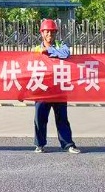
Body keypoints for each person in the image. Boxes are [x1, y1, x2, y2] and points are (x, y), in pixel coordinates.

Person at [31, 18, 80, 154]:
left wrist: (49, 51)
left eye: (52, 32)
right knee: (40, 118)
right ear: (42, 33)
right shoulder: (36, 50)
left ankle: (68, 144)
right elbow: (28, 70)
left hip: (59, 88)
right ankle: (39, 144)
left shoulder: (61, 45)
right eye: (47, 31)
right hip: (42, 88)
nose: (50, 34)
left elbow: (65, 54)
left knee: (62, 118)